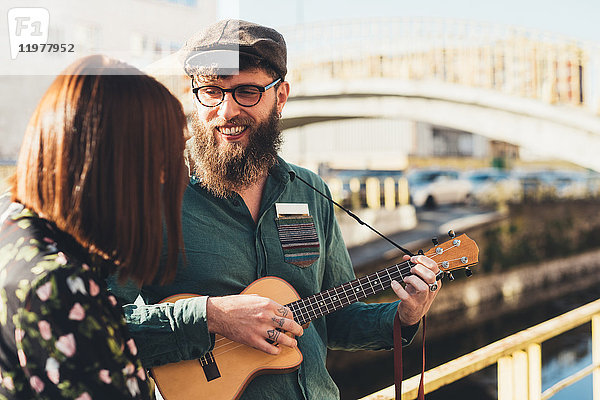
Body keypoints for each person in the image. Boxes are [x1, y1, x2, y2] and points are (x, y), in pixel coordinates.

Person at [109, 20, 442, 399]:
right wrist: (213, 316)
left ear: (280, 96)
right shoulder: (150, 196)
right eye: (211, 92)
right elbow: (102, 326)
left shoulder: (311, 191)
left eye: (247, 92)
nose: (226, 109)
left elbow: (335, 319)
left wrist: (404, 316)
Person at [0, 55, 188, 399]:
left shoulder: (11, 225)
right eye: (160, 162)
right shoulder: (61, 288)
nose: (164, 180)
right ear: (117, 163)